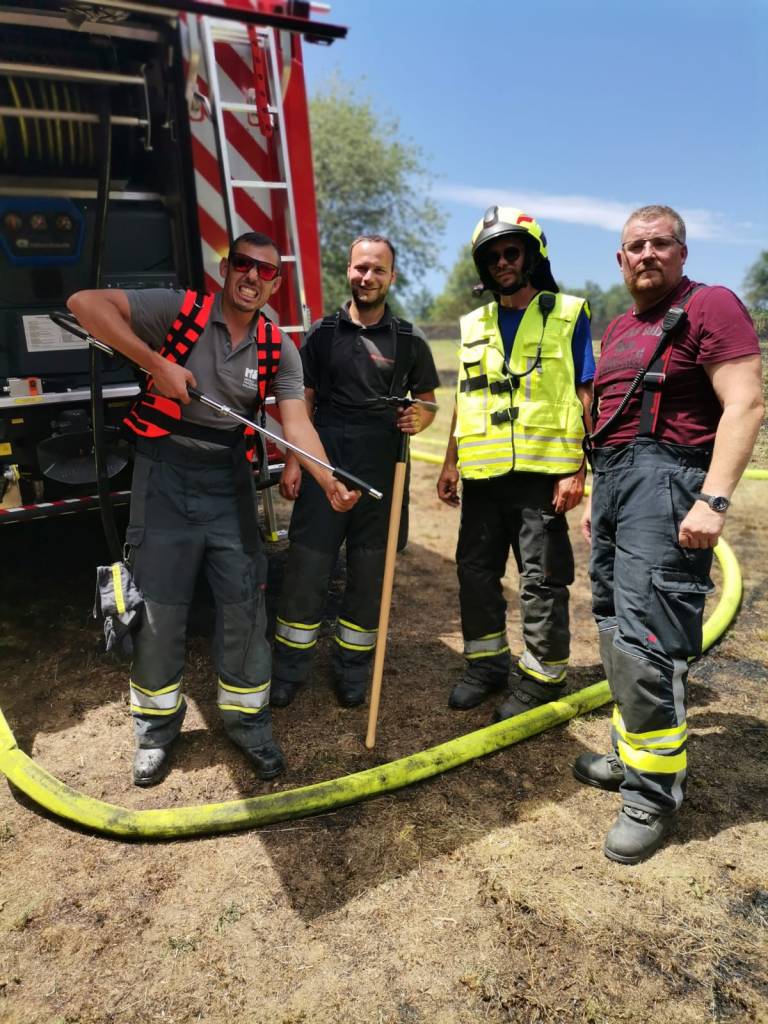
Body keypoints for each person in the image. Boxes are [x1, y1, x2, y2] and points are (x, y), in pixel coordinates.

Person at [68, 232, 358, 787]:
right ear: (226, 268)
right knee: (159, 608)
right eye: (244, 264)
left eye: (266, 271)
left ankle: (249, 723)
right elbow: (84, 304)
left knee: (245, 605)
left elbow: (296, 424)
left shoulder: (278, 347)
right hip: (164, 473)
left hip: (229, 482)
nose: (253, 277)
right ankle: (155, 731)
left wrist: (327, 478)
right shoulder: (181, 310)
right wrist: (156, 364)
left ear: (276, 283)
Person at [575, 204, 764, 864]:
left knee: (648, 640)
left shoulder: (710, 306)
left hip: (671, 486)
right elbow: (610, 419)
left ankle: (651, 795)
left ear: (682, 253)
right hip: (617, 488)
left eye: (661, 243)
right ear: (620, 259)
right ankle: (633, 756)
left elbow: (745, 402)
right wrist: (597, 497)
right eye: (635, 246)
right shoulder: (621, 325)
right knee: (614, 628)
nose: (647, 254)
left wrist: (713, 499)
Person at [437, 206, 594, 722]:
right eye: (492, 257)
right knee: (475, 573)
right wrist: (449, 462)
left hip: (541, 477)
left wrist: (578, 468)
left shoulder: (568, 314)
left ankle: (543, 677)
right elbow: (465, 398)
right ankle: (486, 667)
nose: (502, 262)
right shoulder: (473, 324)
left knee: (541, 580)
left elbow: (585, 393)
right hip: (483, 477)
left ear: (532, 256)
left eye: (511, 252)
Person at [271, 234, 440, 708]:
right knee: (306, 569)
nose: (367, 277)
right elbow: (302, 402)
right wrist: (294, 460)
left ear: (392, 277)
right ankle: (289, 668)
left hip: (382, 466)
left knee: (369, 576)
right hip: (324, 457)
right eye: (360, 268)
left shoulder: (409, 340)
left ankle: (352, 668)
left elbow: (428, 402)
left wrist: (421, 418)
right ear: (348, 270)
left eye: (377, 270)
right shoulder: (321, 335)